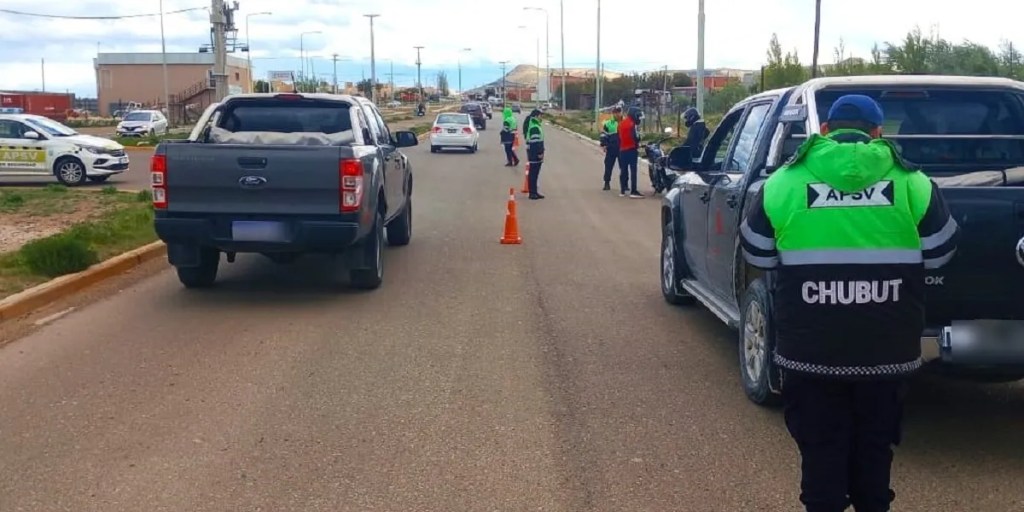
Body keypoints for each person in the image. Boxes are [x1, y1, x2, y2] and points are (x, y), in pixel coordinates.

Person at [739, 94, 959, 512]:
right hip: (886, 352)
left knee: (821, 452)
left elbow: (756, 252)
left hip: (811, 352)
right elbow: (942, 250)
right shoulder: (913, 182)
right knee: (875, 451)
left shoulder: (784, 182)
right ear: (878, 133)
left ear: (825, 131)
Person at [616, 106, 644, 198]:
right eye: (638, 116)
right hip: (631, 149)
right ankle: (633, 191)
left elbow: (618, 137)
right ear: (633, 115)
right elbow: (634, 137)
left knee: (623, 170)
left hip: (622, 150)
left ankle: (622, 191)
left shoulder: (621, 123)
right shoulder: (632, 124)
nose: (638, 118)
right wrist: (638, 140)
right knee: (633, 171)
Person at [525, 108, 546, 200]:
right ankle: (532, 193)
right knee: (533, 173)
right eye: (540, 115)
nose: (542, 117)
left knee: (535, 173)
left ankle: (534, 192)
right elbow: (535, 142)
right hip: (534, 153)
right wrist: (540, 153)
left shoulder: (536, 125)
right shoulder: (534, 127)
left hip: (534, 152)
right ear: (536, 116)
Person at [599, 107, 622, 191]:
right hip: (611, 148)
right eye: (616, 112)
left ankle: (624, 184)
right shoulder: (608, 123)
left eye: (619, 112)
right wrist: (604, 144)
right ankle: (606, 183)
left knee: (623, 167)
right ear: (613, 113)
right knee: (608, 166)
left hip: (622, 148)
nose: (617, 114)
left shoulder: (624, 122)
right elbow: (603, 135)